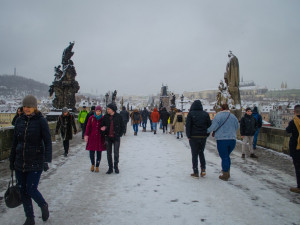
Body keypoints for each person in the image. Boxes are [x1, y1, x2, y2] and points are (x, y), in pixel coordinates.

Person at [9, 95, 52, 225]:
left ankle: (43, 205)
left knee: (31, 189)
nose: (26, 109)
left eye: (29, 107)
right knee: (23, 191)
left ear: (34, 107)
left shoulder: (41, 121)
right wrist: (12, 160)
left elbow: (48, 141)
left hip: (35, 160)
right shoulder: (19, 121)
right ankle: (30, 217)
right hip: (20, 160)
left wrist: (46, 160)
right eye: (25, 106)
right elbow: (15, 142)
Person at [207, 103, 239, 181]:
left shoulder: (218, 116)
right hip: (232, 139)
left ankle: (225, 173)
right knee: (227, 156)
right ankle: (227, 171)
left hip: (222, 139)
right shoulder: (233, 116)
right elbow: (237, 126)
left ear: (221, 109)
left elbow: (213, 126)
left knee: (224, 156)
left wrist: (207, 131)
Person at [186, 100, 211, 178]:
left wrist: (188, 136)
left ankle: (195, 171)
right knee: (201, 152)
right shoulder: (205, 114)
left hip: (193, 137)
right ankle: (203, 169)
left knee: (194, 154)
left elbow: (188, 126)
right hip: (203, 137)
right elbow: (209, 126)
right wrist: (206, 134)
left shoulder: (190, 114)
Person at [101, 103, 124, 174]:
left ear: (113, 109)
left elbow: (122, 126)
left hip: (116, 137)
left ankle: (116, 167)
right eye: (107, 109)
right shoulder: (105, 117)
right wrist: (104, 132)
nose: (107, 110)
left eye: (108, 109)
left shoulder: (119, 116)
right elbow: (102, 126)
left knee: (116, 153)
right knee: (109, 153)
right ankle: (110, 168)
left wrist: (120, 134)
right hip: (108, 137)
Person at [84, 105, 106, 172]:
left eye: (99, 111)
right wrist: (86, 135)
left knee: (99, 152)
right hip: (92, 137)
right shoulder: (91, 118)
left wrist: (104, 128)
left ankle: (97, 166)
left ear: (101, 111)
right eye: (97, 111)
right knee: (91, 152)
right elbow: (88, 127)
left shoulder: (103, 118)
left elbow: (106, 126)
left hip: (100, 138)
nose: (98, 112)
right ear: (95, 111)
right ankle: (92, 164)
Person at [286, 105, 300, 193]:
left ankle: (299, 186)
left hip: (297, 147)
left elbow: (288, 130)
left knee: (298, 167)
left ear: (294, 111)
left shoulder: (294, 121)